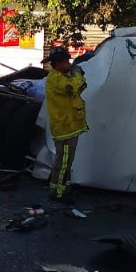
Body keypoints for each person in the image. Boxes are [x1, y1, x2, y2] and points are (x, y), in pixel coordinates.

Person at [44, 46, 88, 202]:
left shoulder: (62, 77)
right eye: (67, 62)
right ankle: (58, 193)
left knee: (66, 162)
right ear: (59, 63)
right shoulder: (55, 79)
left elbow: (79, 88)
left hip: (69, 127)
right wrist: (77, 74)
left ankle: (64, 188)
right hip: (65, 129)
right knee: (63, 163)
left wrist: (78, 77)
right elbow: (72, 87)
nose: (69, 64)